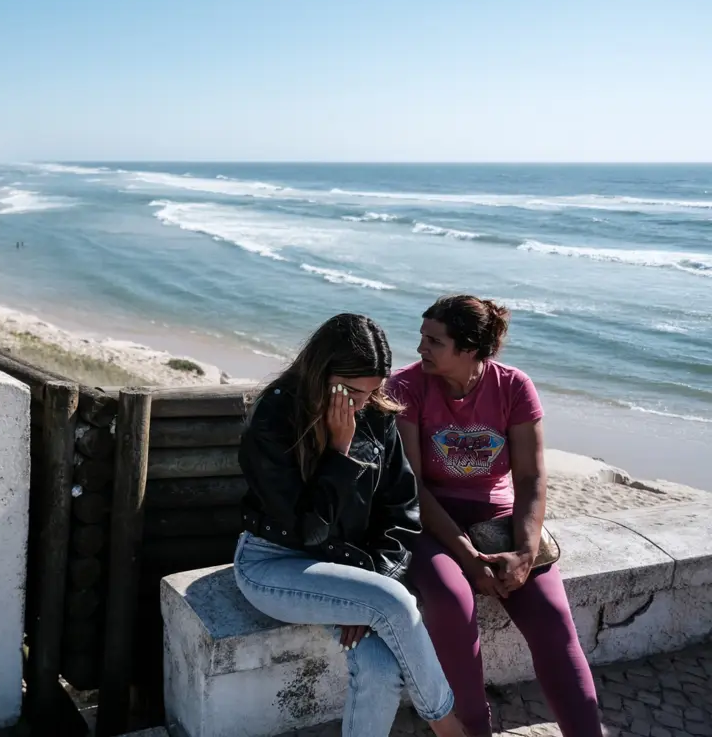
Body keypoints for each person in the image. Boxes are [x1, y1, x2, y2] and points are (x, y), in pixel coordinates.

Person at [235, 314, 467, 737]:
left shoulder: (376, 416)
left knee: (380, 666)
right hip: (273, 564)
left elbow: (401, 512)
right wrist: (339, 454)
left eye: (372, 391)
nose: (362, 404)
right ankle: (447, 725)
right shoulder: (274, 417)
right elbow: (307, 530)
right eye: (353, 392)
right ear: (322, 373)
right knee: (396, 603)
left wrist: (364, 589)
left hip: (350, 568)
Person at [388, 295, 601, 737]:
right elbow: (413, 486)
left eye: (434, 341)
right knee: (452, 600)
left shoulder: (514, 387)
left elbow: (530, 477)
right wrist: (468, 558)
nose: (420, 347)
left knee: (553, 621)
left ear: (469, 349)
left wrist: (524, 553)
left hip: (497, 517)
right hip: (429, 521)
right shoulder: (406, 387)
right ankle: (475, 729)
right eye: (422, 337)